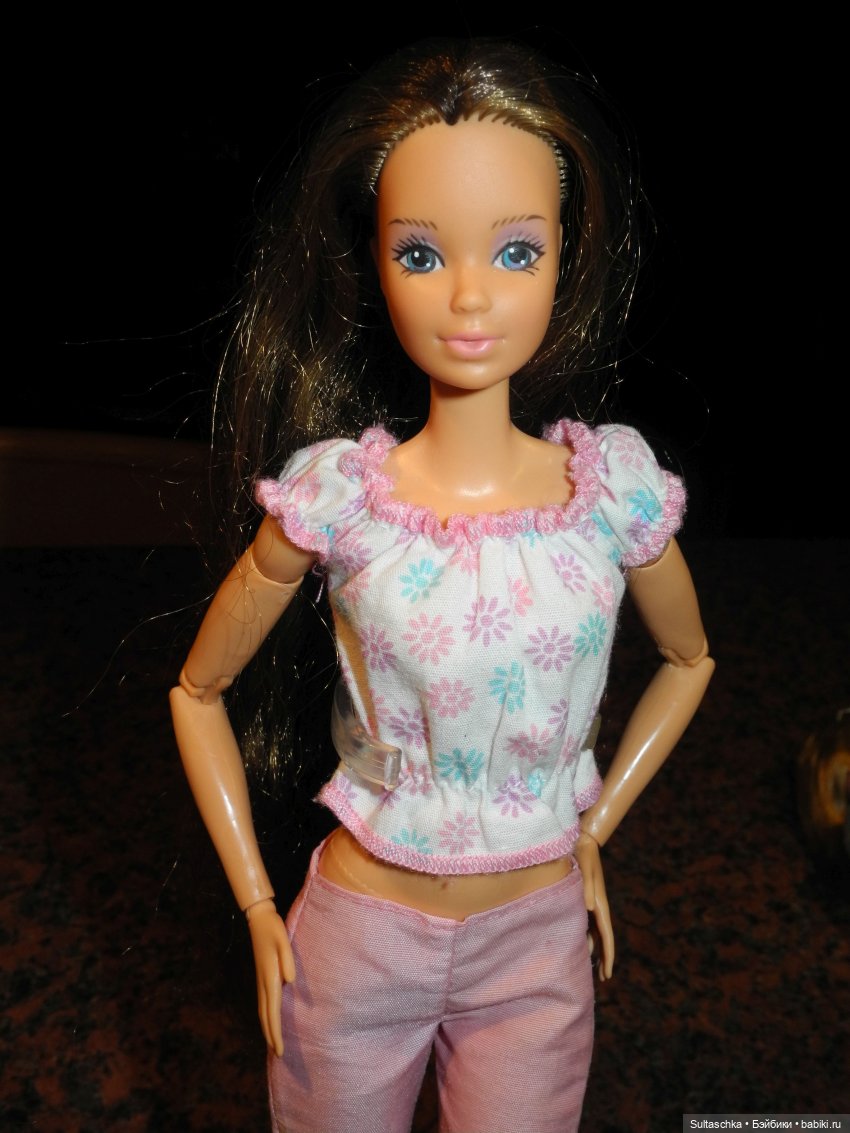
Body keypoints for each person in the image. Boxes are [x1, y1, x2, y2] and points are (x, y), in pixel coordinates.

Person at [170, 37, 715, 1133]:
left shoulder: (609, 491)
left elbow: (689, 658)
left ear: (565, 257)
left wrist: (592, 826)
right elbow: (196, 689)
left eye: (516, 251)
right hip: (360, 938)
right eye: (421, 254)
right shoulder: (342, 498)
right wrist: (256, 901)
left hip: (537, 942)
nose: (469, 297)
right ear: (373, 262)